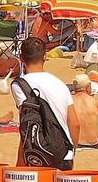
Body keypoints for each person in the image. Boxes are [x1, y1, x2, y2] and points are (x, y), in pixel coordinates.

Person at [11, 36, 75, 169]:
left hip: (38, 154)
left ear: (21, 58)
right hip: (64, 154)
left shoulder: (20, 85)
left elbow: (27, 124)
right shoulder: (60, 84)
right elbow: (75, 124)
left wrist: (20, 164)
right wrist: (71, 152)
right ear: (45, 57)